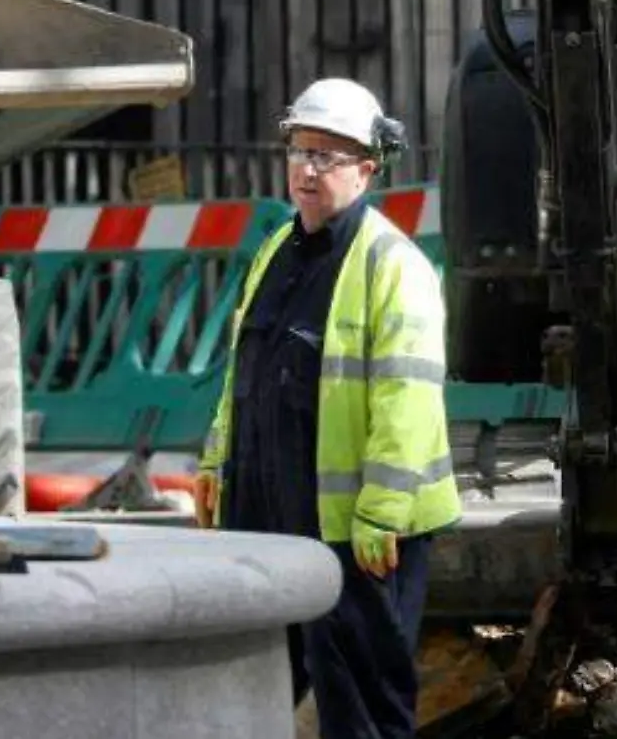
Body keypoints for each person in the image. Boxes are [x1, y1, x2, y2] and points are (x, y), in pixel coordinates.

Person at [192, 77, 462, 739]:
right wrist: (217, 462)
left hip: (359, 532)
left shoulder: (392, 265)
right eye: (301, 151)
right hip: (272, 513)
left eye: (329, 156)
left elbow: (410, 393)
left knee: (362, 699)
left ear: (368, 168)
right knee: (261, 685)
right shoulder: (275, 252)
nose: (308, 169)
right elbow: (244, 374)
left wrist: (384, 509)